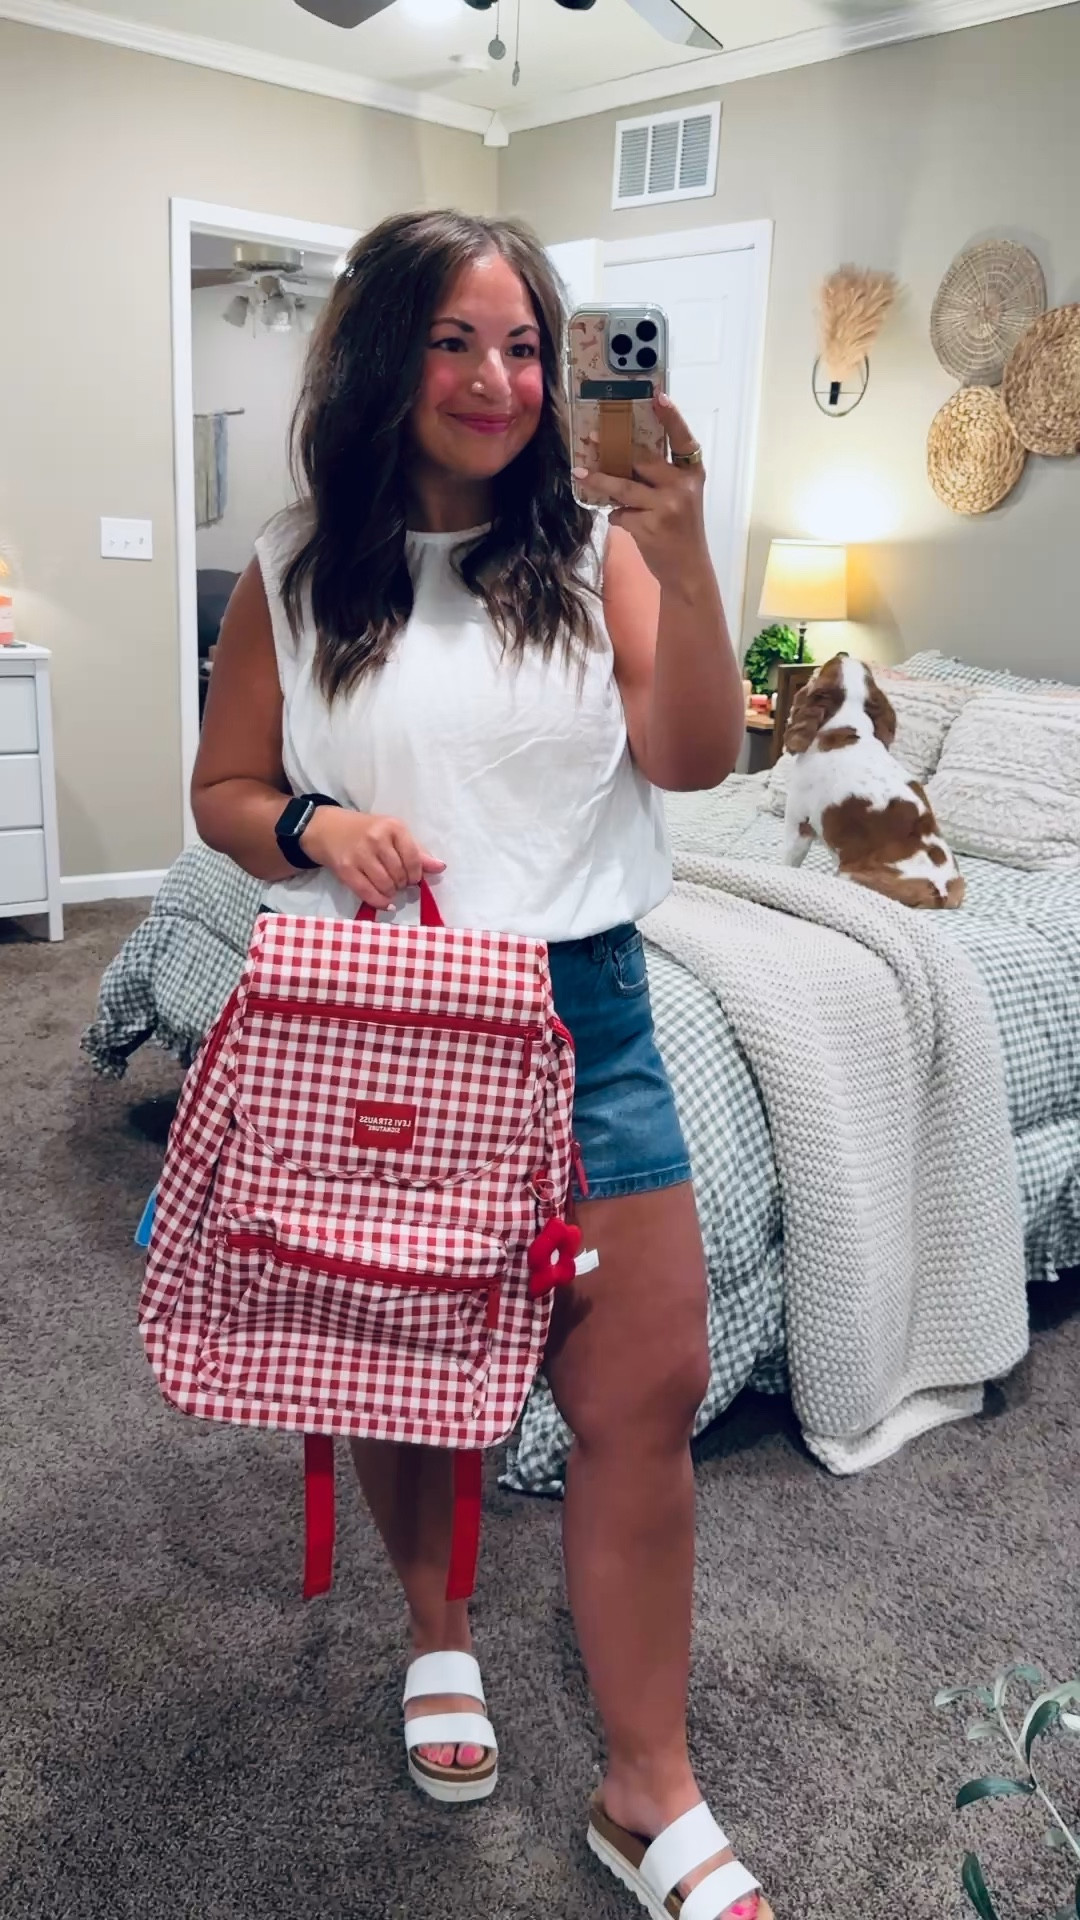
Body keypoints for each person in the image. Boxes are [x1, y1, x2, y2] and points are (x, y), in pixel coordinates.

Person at [192, 209, 769, 1920]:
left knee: (641, 1398)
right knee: (402, 1370)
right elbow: (222, 797)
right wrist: (313, 821)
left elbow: (696, 755)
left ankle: (645, 1784)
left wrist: (688, 544)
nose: (501, 379)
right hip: (390, 1032)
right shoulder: (294, 577)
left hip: (585, 1017)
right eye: (454, 341)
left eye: (527, 345)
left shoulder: (607, 555)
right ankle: (437, 1635)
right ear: (385, 356)